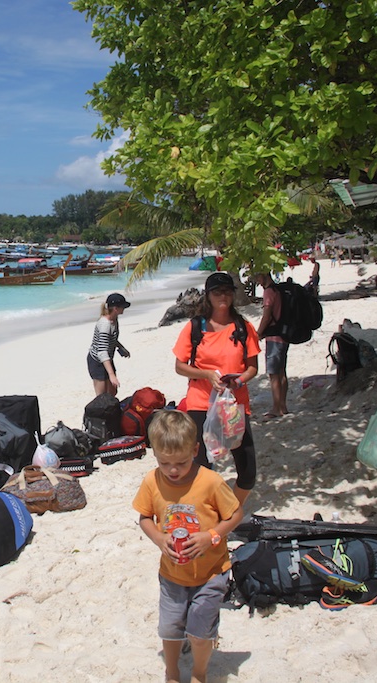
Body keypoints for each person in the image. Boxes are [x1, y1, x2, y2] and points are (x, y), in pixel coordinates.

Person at [133, 409, 243, 683]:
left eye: (181, 463)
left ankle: (199, 673)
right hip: (172, 575)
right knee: (170, 628)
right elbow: (144, 517)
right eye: (164, 462)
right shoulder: (152, 481)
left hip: (211, 573)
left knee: (200, 632)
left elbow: (235, 514)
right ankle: (171, 672)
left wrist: (211, 537)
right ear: (154, 454)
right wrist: (159, 539)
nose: (172, 470)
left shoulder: (210, 481)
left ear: (195, 450)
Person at [173, 272, 260, 506]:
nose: (223, 296)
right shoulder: (195, 328)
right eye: (217, 292)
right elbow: (180, 366)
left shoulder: (243, 327)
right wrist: (206, 375)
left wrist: (239, 381)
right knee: (203, 467)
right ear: (208, 296)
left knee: (248, 470)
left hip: (235, 406)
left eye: (227, 291)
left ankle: (230, 510)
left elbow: (252, 368)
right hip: (201, 404)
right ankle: (207, 513)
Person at [255, 271, 289, 419]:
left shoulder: (269, 292)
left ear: (264, 276)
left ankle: (276, 408)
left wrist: (258, 333)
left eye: (258, 277)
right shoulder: (278, 290)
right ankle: (283, 405)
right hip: (284, 334)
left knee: (273, 374)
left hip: (274, 336)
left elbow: (267, 315)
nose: (257, 280)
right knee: (282, 372)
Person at [87, 292, 131, 396]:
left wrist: (121, 348)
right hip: (97, 361)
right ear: (116, 308)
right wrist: (111, 375)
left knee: (113, 392)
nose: (124, 309)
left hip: (107, 359)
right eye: (122, 306)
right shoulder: (104, 325)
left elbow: (112, 338)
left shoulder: (114, 319)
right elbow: (102, 352)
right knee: (102, 397)